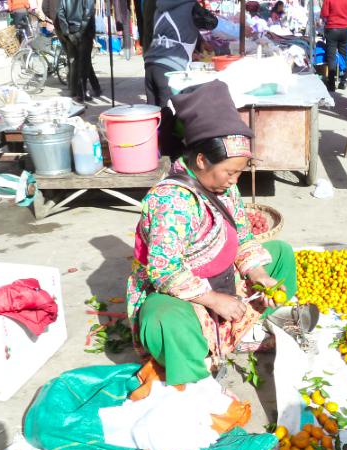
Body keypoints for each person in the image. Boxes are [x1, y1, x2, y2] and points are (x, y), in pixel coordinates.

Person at [126, 80, 301, 385]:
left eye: (239, 173)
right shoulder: (172, 200)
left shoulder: (224, 187)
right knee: (164, 321)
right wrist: (213, 299)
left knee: (282, 253)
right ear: (202, 160)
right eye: (230, 172)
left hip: (224, 278)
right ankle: (195, 372)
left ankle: (248, 328)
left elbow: (243, 238)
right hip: (182, 294)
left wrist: (258, 274)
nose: (234, 181)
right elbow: (164, 270)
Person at [143, 0, 217, 108]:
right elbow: (212, 22)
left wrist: (199, 43)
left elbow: (173, 29)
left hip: (151, 64)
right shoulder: (190, 5)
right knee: (168, 116)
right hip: (169, 69)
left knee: (153, 115)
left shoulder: (159, 7)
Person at [56, 0, 97, 103]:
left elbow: (60, 13)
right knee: (83, 64)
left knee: (74, 63)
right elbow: (87, 14)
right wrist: (79, 33)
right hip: (84, 34)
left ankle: (76, 91)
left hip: (71, 33)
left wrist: (67, 32)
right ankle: (82, 92)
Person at [321, 0, 347, 90]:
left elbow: (324, 13)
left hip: (332, 28)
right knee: (343, 55)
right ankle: (343, 81)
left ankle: (331, 83)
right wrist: (344, 14)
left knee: (331, 56)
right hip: (344, 29)